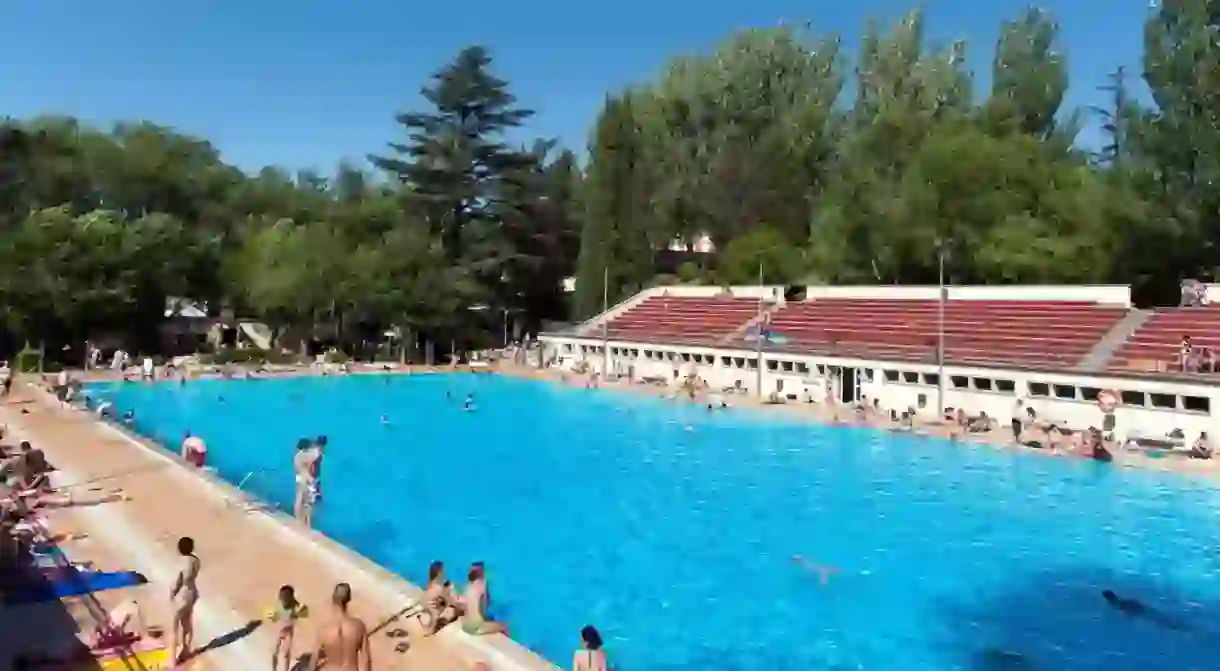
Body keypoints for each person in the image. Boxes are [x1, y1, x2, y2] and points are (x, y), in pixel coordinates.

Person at [308, 582, 371, 671]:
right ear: (349, 599)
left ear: (333, 599)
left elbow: (313, 661)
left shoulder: (324, 629)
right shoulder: (358, 626)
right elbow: (366, 660)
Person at [169, 536, 201, 664]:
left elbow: (179, 581)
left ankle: (172, 660)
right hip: (192, 592)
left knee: (174, 626)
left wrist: (172, 593)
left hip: (183, 593)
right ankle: (186, 649)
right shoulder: (196, 561)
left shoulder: (182, 561)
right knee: (187, 621)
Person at [268, 584, 309, 671]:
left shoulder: (295, 605)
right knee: (274, 653)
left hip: (288, 632)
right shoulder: (279, 605)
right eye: (282, 597)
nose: (284, 599)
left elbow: (305, 612)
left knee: (286, 654)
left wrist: (299, 612)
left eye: (286, 597)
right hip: (279, 631)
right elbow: (273, 616)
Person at [415, 560, 462, 635]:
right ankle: (431, 629)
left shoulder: (441, 588)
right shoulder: (443, 589)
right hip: (444, 602)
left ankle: (431, 627)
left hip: (443, 602)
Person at [460, 563, 507, 636]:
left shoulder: (467, 586)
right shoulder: (482, 584)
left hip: (465, 625)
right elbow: (484, 607)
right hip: (476, 626)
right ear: (482, 572)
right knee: (503, 626)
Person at [293, 438, 319, 525]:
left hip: (299, 478)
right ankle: (306, 522)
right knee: (308, 502)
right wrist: (311, 480)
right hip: (305, 479)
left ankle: (298, 520)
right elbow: (315, 457)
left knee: (299, 499)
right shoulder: (305, 456)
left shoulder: (297, 456)